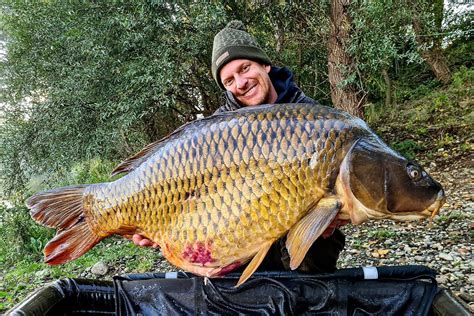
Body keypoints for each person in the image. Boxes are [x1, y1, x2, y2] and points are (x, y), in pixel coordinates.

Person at [133, 20, 346, 273]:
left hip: (303, 241)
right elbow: (188, 195)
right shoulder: (216, 131)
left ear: (265, 64)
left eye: (244, 68)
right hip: (235, 236)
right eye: (229, 81)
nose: (240, 83)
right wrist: (154, 224)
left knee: (316, 245)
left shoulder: (314, 118)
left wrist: (329, 217)